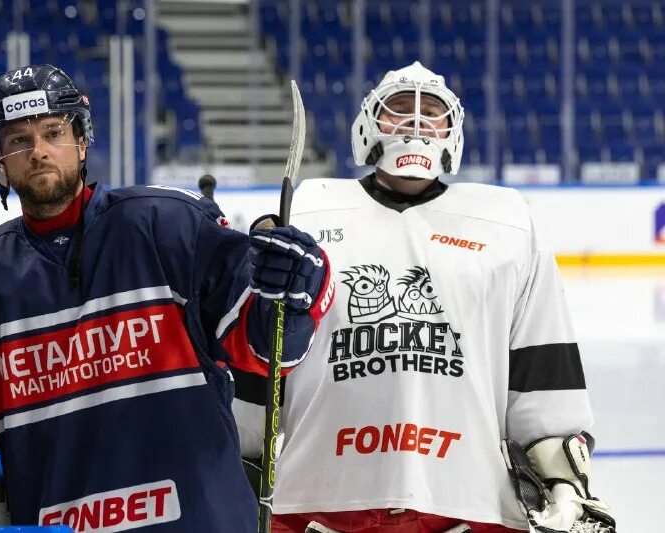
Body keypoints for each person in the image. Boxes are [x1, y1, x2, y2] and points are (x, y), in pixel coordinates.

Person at [0, 64, 334, 533]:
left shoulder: (169, 227)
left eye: (53, 132)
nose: (39, 151)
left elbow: (267, 347)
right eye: (18, 141)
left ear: (82, 141)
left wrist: (295, 294)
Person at [233, 62, 617, 532]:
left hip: (466, 501)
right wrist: (238, 462)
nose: (415, 124)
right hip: (319, 498)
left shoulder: (506, 222)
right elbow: (263, 358)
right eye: (398, 110)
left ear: (452, 131)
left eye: (431, 113)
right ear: (367, 126)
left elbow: (542, 369)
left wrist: (564, 485)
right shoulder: (309, 212)